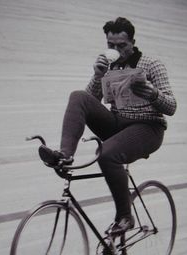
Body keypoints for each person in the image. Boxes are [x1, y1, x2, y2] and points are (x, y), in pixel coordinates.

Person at [39, 17, 177, 235]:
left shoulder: (152, 65)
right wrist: (97, 75)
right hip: (118, 123)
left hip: (148, 127)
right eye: (111, 46)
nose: (116, 50)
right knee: (78, 96)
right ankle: (64, 155)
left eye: (122, 45)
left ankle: (125, 216)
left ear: (133, 42)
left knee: (106, 154)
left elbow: (171, 107)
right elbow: (89, 101)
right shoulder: (108, 65)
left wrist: (154, 94)